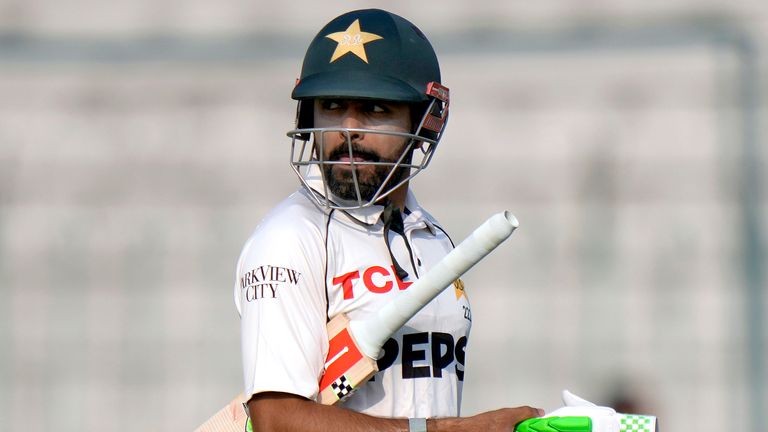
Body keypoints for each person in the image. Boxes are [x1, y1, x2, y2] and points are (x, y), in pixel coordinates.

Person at [234, 8, 543, 432]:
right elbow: (278, 421)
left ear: (425, 121)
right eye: (332, 105)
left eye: (376, 108)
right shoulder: (290, 238)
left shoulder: (433, 239)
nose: (347, 128)